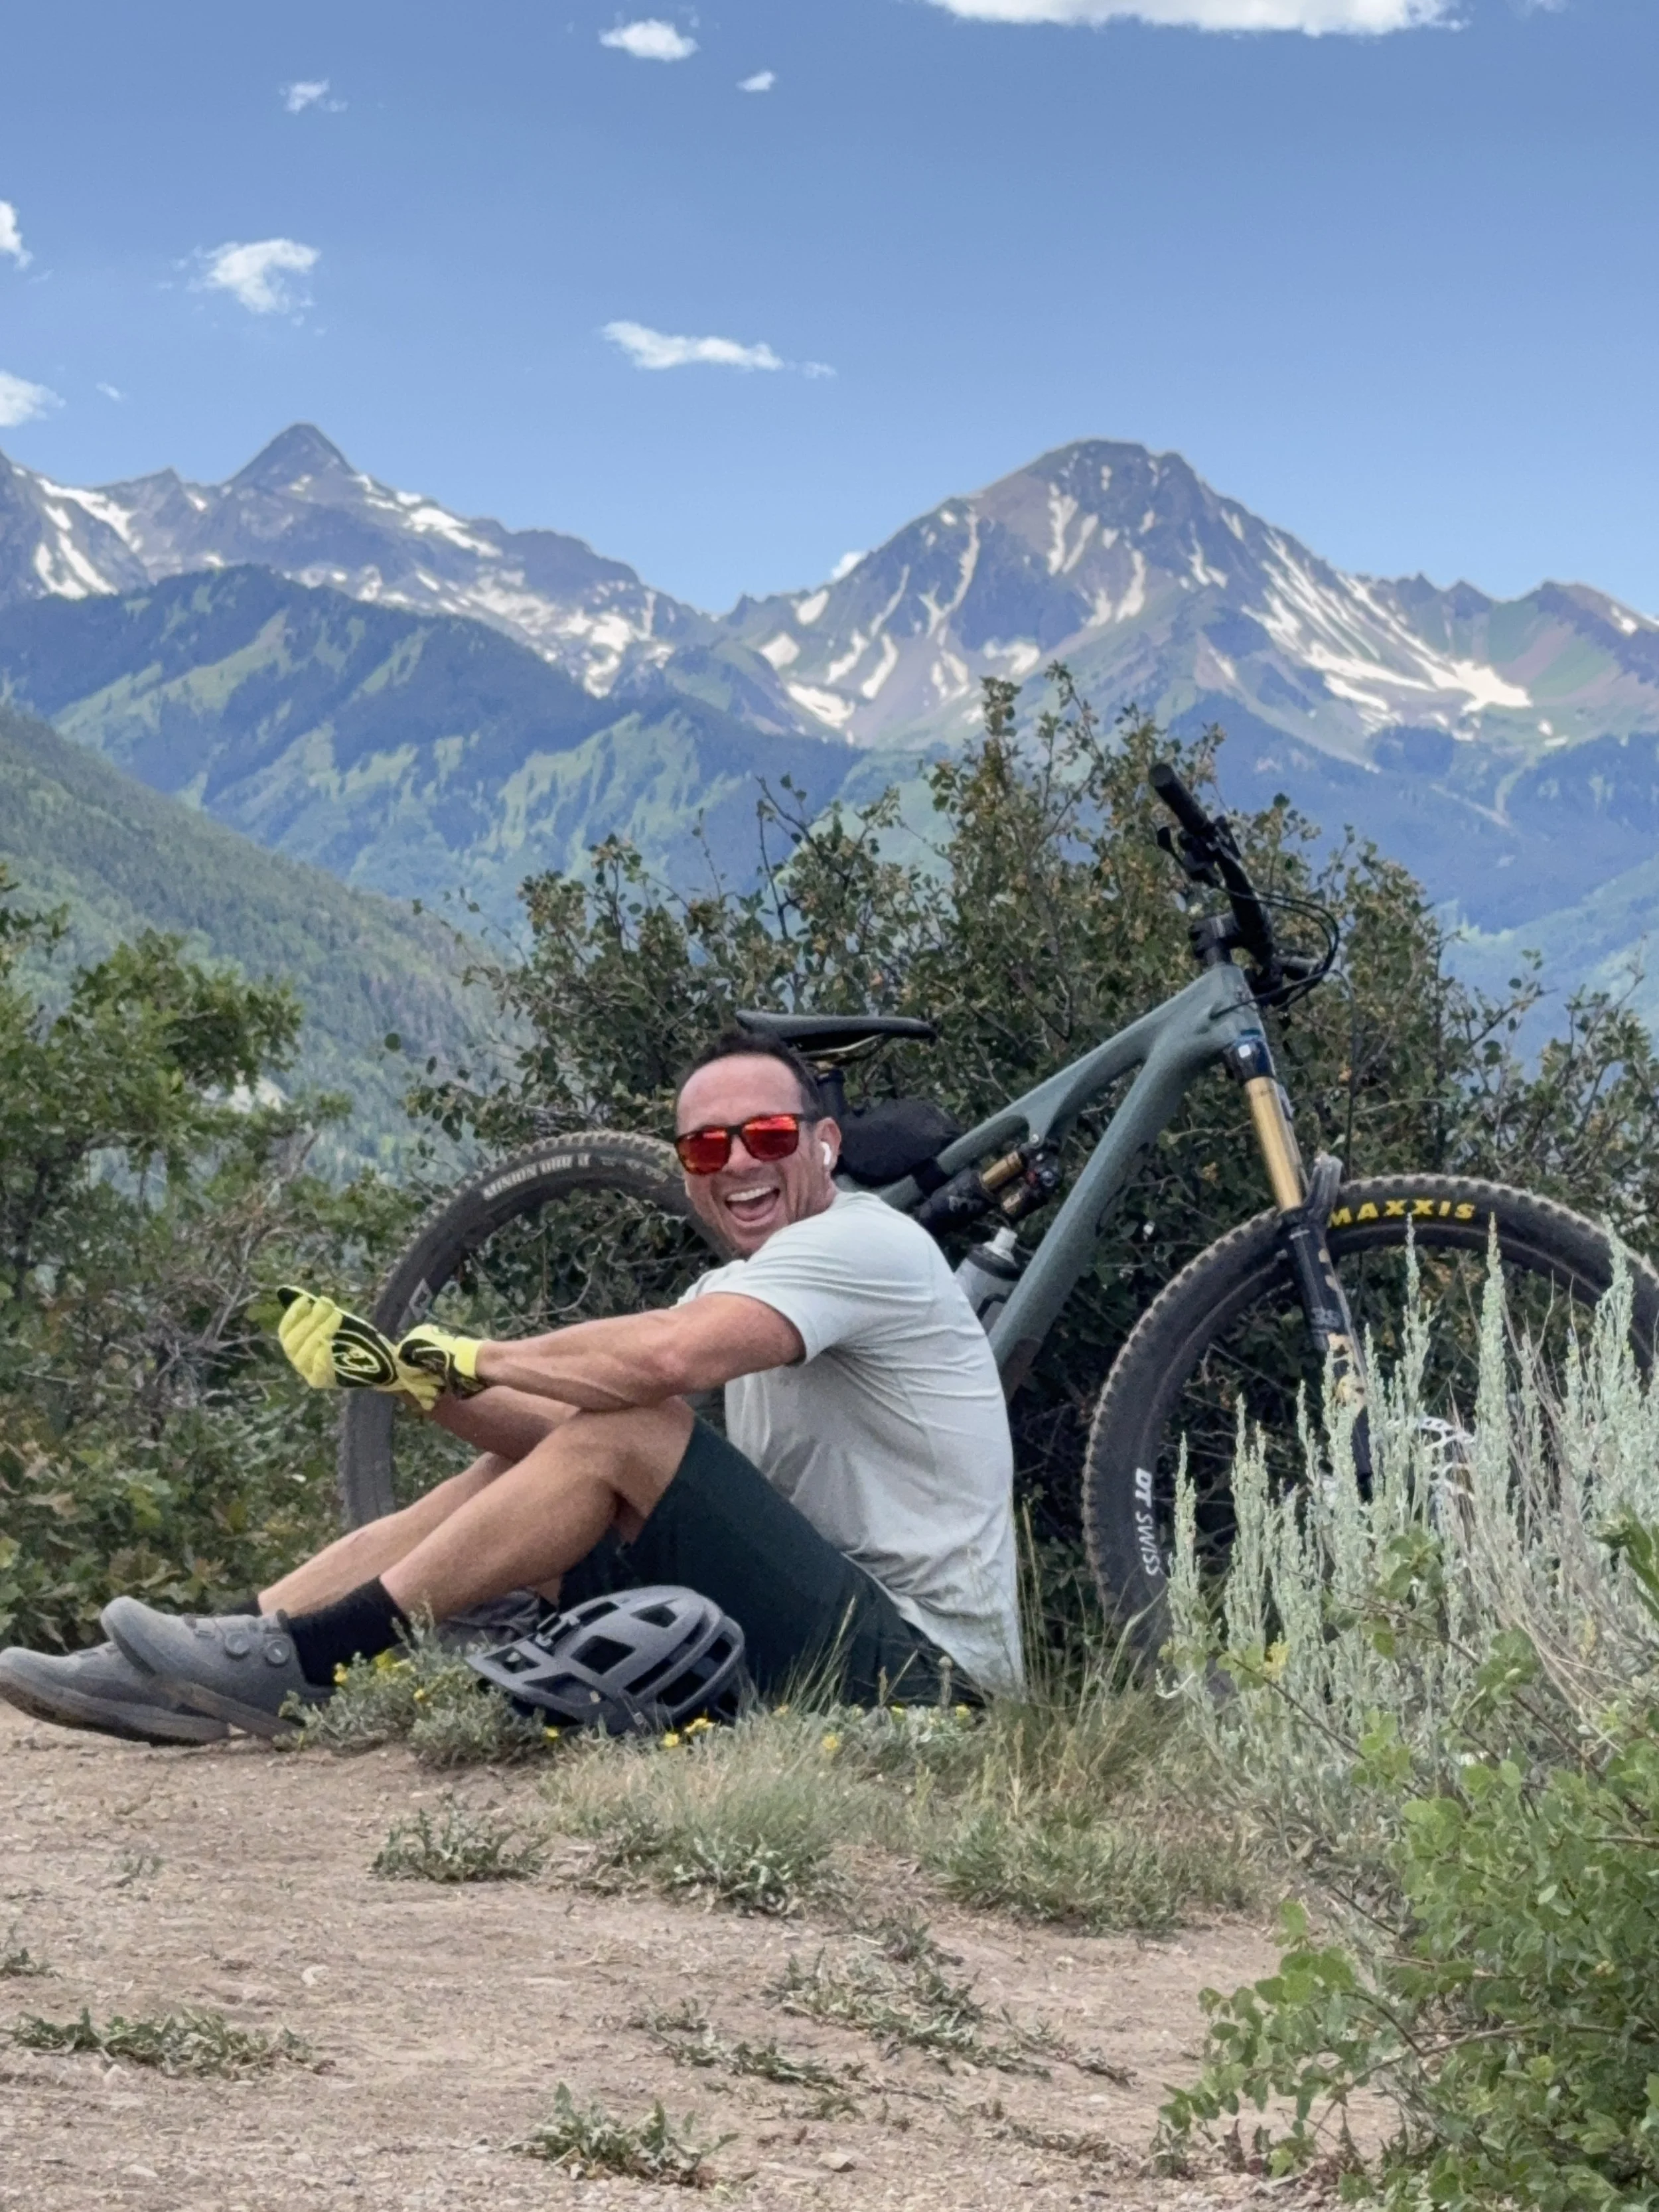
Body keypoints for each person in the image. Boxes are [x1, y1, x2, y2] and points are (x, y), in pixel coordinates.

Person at [0, 1031, 1022, 1743]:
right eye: (709, 1147)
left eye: (767, 1136)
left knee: (635, 1425)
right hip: (817, 1631)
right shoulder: (746, 1281)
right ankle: (215, 1650)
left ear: (825, 1144)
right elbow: (574, 1439)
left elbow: (658, 1372)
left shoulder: (863, 1242)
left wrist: (478, 1352)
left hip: (925, 1682)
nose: (738, 1163)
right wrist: (408, 1372)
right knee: (547, 1451)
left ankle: (313, 1657)